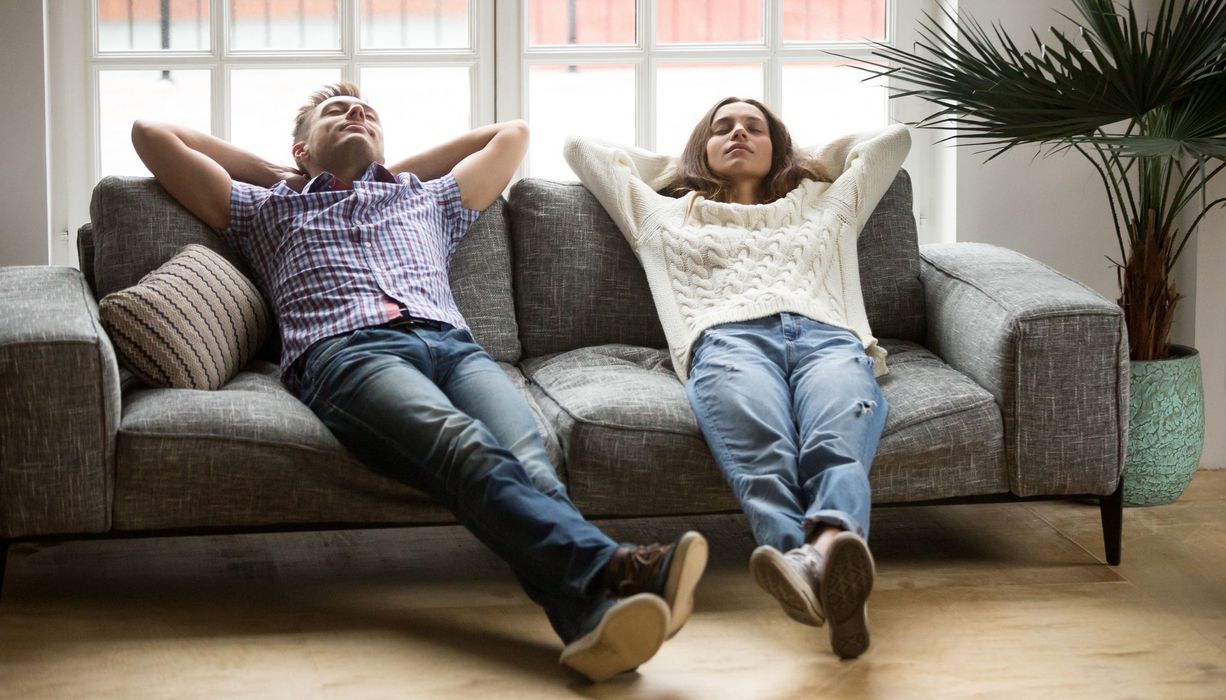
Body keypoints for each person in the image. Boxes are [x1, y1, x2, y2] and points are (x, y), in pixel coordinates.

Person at [130, 81, 708, 683]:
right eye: (337, 114)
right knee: (462, 446)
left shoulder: (427, 200)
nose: (356, 113)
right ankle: (626, 567)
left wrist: (380, 166)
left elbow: (511, 135)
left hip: (456, 350)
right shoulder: (265, 208)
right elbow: (151, 134)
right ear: (300, 149)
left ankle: (589, 621)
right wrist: (288, 171)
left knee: (532, 462)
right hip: (348, 354)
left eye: (368, 114)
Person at [564, 97, 909, 659]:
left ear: (779, 146)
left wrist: (798, 162)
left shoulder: (827, 203)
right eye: (722, 129)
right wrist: (682, 166)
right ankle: (829, 562)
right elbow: (581, 149)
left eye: (755, 128)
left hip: (829, 338)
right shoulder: (660, 214)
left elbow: (893, 140)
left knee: (835, 442)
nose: (739, 133)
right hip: (728, 340)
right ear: (701, 147)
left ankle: (815, 559)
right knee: (762, 454)